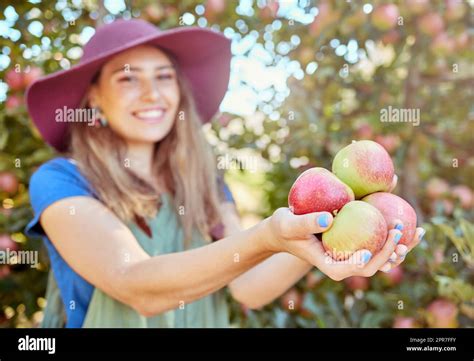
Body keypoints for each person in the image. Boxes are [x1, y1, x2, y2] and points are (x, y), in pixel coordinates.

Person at [25, 19, 424, 328]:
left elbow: (248, 286)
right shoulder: (61, 180)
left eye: (164, 77)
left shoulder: (202, 184)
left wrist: (321, 230)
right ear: (94, 97)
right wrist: (268, 235)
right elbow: (134, 284)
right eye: (128, 78)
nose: (152, 93)